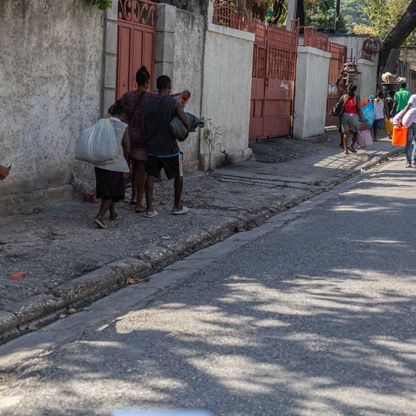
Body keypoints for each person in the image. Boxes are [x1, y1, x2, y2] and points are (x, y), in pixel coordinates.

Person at [144, 75, 191, 218]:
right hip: (169, 148)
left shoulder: (149, 103)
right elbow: (186, 121)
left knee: (150, 177)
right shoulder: (174, 103)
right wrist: (185, 130)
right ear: (168, 87)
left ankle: (150, 209)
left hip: (152, 147)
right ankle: (177, 206)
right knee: (179, 175)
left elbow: (143, 124)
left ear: (158, 87)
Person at [109, 66, 151, 213]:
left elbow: (112, 108)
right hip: (143, 137)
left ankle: (132, 197)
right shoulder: (150, 97)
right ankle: (139, 203)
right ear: (146, 82)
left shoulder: (127, 96)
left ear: (136, 81)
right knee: (141, 170)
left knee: (132, 166)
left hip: (127, 136)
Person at [94, 101, 130, 229]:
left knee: (107, 189)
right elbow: (127, 148)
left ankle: (112, 213)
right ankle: (99, 216)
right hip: (114, 164)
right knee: (112, 192)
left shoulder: (102, 123)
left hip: (99, 163)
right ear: (123, 115)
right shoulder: (123, 126)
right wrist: (125, 163)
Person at [339, 84, 363, 155]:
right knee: (356, 132)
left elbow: (338, 104)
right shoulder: (357, 97)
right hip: (354, 116)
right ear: (355, 90)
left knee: (346, 133)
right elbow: (358, 109)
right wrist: (362, 118)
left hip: (344, 116)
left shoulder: (344, 96)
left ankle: (345, 149)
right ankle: (352, 146)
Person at [396, 92, 416, 168]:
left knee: (409, 142)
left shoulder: (413, 96)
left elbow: (408, 106)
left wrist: (400, 116)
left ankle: (408, 162)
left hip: (409, 122)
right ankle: (415, 161)